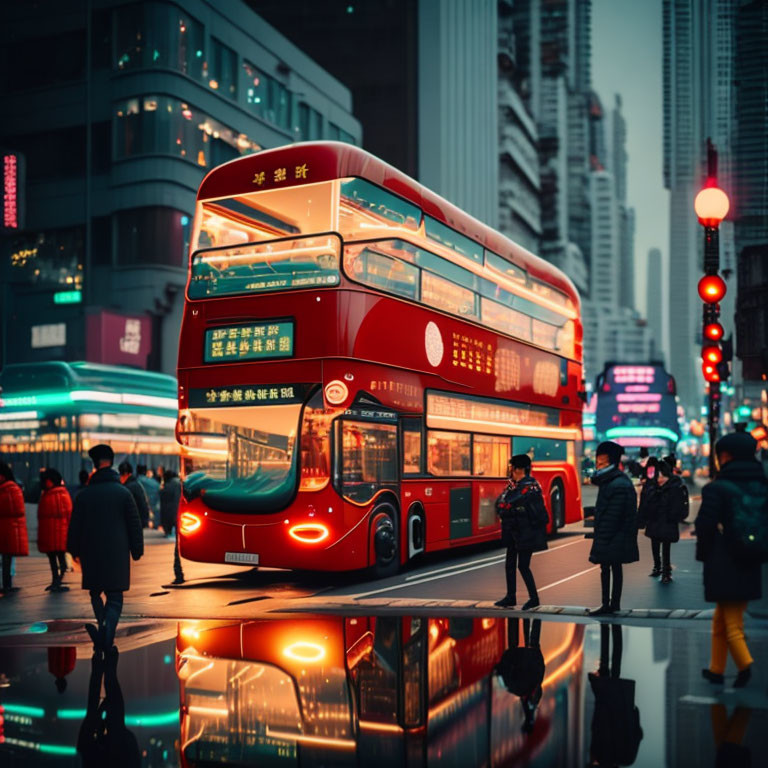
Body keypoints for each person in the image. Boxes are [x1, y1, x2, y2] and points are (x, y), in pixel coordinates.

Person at [695, 431, 766, 688]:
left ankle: (746, 666)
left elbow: (704, 526)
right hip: (753, 558)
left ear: (724, 456)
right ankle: (716, 668)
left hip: (725, 562)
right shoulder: (762, 485)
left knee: (732, 623)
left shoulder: (717, 488)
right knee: (721, 618)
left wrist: (705, 554)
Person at [67, 444, 143, 651]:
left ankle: (103, 626)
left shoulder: (84, 495)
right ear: (112, 463)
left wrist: (73, 550)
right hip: (117, 554)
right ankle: (107, 633)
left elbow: (75, 526)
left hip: (91, 554)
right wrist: (137, 550)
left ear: (94, 465)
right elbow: (134, 524)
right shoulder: (123, 493)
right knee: (115, 597)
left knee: (95, 592)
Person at [588, 441, 639, 616]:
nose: (598, 466)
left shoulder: (617, 484)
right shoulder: (612, 481)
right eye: (597, 463)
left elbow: (614, 515)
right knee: (610, 568)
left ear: (612, 462)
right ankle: (610, 604)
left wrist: (603, 535)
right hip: (614, 535)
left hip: (615, 536)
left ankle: (609, 604)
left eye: (602, 463)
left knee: (612, 568)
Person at [495, 454, 549, 609]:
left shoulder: (531, 486)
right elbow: (501, 503)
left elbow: (511, 503)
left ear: (519, 469)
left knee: (523, 566)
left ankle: (534, 598)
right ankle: (510, 596)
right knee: (510, 564)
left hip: (526, 532)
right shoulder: (514, 485)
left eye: (512, 467)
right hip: (513, 529)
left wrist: (507, 506)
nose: (510, 470)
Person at [588, 624, 643, 766]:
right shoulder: (599, 755)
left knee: (616, 666)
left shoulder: (627, 759)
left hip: (622, 705)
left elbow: (638, 734)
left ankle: (614, 629)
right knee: (605, 666)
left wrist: (633, 713)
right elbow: (597, 726)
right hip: (606, 703)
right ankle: (606, 627)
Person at [496, 617, 545, 734]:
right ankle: (514, 619)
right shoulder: (516, 690)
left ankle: (535, 618)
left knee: (532, 642)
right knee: (514, 643)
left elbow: (538, 686)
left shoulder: (531, 700)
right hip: (519, 661)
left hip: (531, 662)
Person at [37, 468, 73, 592]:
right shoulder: (58, 494)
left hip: (58, 533)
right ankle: (56, 580)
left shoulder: (55, 494)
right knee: (54, 558)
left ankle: (57, 580)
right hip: (52, 533)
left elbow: (68, 515)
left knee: (59, 558)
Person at [0, 461, 29, 594]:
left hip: (7, 529)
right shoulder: (12, 489)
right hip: (7, 529)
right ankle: (7, 584)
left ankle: (7, 584)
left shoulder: (9, 489)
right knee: (7, 559)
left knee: (7, 558)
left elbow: (15, 510)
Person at [160, 469, 185, 585]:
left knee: (177, 548)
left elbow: (165, 508)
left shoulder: (167, 488)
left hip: (174, 517)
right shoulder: (181, 484)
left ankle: (178, 573)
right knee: (180, 546)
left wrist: (166, 526)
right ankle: (179, 573)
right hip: (183, 516)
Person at [117, 461, 151, 529]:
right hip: (140, 520)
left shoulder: (129, 487)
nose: (120, 478)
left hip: (135, 521)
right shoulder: (136, 483)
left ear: (126, 474)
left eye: (120, 475)